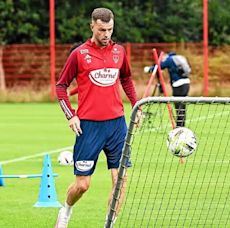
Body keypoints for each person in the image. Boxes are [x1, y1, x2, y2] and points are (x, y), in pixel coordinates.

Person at [55, 7, 137, 228]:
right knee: (82, 185)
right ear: (92, 26)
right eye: (102, 30)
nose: (106, 34)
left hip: (117, 126)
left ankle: (109, 224)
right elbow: (61, 86)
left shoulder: (120, 51)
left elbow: (127, 79)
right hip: (88, 127)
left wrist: (135, 106)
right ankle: (66, 211)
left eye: (110, 29)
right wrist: (70, 115)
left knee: (120, 181)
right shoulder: (79, 54)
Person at [145, 52, 191, 127]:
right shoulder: (179, 58)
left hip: (178, 85)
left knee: (178, 106)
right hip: (186, 83)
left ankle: (179, 126)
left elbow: (159, 67)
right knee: (182, 106)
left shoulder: (169, 59)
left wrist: (149, 69)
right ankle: (182, 125)